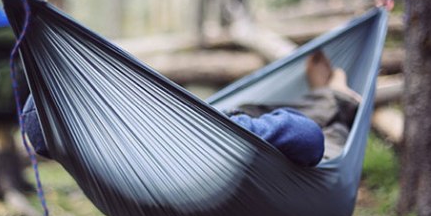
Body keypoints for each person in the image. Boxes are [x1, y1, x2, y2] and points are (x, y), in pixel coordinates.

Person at [20, 51, 360, 168]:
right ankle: (334, 93)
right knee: (327, 122)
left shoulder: (100, 169)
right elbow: (308, 139)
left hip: (227, 127)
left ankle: (323, 95)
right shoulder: (164, 141)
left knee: (250, 107)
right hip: (307, 154)